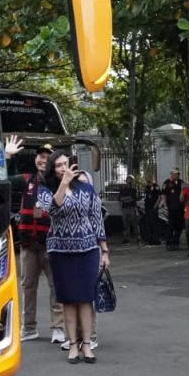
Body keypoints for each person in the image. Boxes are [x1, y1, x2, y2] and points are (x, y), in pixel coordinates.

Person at [37, 151, 109, 364]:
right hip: (60, 251)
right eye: (58, 165)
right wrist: (63, 185)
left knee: (86, 299)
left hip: (87, 250)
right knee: (68, 299)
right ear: (53, 169)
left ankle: (87, 344)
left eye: (65, 164)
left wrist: (104, 250)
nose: (63, 168)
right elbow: (52, 210)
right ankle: (73, 345)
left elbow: (97, 219)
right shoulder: (45, 189)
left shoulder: (85, 188)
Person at [5, 137, 65, 344]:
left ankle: (59, 328)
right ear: (36, 160)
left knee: (56, 286)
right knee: (28, 286)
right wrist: (8, 156)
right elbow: (5, 179)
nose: (43, 160)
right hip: (29, 244)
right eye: (41, 156)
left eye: (48, 158)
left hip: (52, 243)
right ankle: (28, 328)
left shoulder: (58, 182)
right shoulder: (27, 180)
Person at [162, 169, 186, 251]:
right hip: (171, 209)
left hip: (180, 208)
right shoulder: (166, 183)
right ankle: (169, 244)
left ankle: (176, 243)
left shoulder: (181, 182)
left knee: (179, 227)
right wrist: (165, 206)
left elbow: (185, 193)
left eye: (178, 174)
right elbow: (164, 195)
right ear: (171, 174)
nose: (177, 175)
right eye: (175, 174)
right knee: (170, 227)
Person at [119, 176, 139, 244]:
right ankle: (126, 238)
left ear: (132, 181)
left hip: (132, 208)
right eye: (128, 180)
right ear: (126, 181)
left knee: (135, 223)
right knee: (125, 224)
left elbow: (133, 198)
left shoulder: (134, 189)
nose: (129, 181)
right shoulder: (123, 189)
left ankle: (137, 238)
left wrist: (124, 199)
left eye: (131, 180)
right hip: (124, 209)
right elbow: (120, 199)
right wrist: (127, 198)